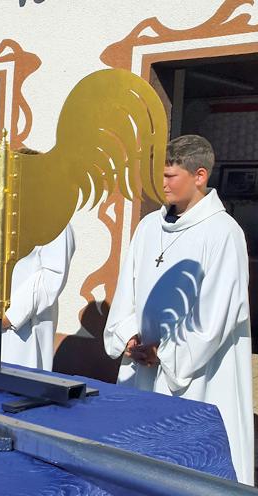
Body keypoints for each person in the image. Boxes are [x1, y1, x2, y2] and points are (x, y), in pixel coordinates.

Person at [104, 135, 253, 484]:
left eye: (171, 176)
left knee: (192, 467)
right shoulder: (148, 227)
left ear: (199, 176)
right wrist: (128, 337)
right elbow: (128, 289)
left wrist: (167, 355)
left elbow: (217, 314)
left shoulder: (223, 233)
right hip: (142, 365)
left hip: (197, 374)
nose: (164, 184)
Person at [0, 225, 75, 370]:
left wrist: (13, 314)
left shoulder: (55, 217)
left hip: (26, 328)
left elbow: (52, 274)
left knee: (21, 381)